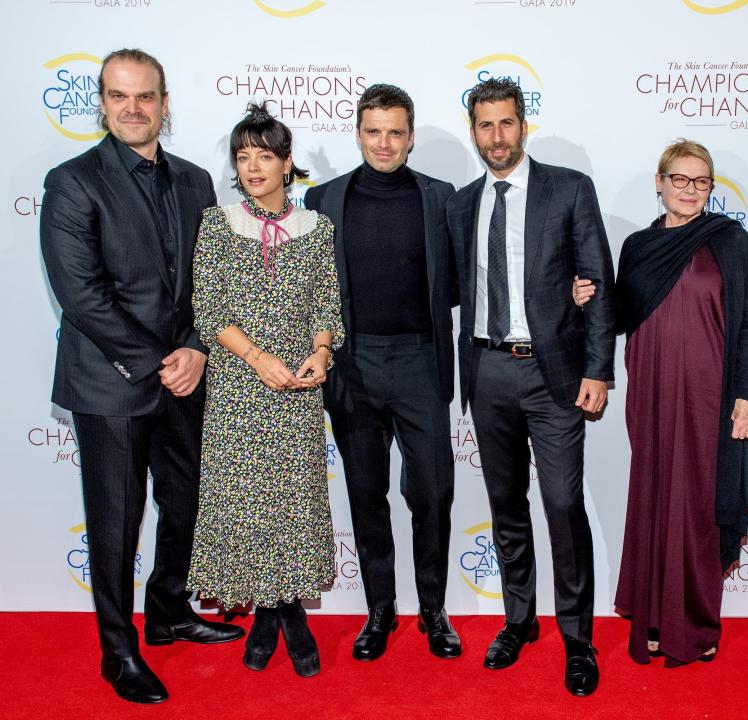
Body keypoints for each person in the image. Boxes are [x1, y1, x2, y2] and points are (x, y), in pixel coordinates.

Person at [39, 48, 243, 704]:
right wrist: (162, 359)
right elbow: (82, 294)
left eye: (146, 96)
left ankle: (168, 612)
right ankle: (116, 650)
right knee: (115, 519)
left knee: (185, 503)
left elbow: (211, 280)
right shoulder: (73, 182)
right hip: (112, 383)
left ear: (164, 103)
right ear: (102, 102)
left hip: (187, 376)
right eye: (120, 96)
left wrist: (195, 348)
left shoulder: (193, 182)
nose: (133, 108)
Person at [447, 77, 616, 697]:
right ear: (474, 132)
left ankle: (578, 637)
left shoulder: (568, 189)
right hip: (487, 369)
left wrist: (598, 369)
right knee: (506, 507)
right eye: (485, 125)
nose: (497, 136)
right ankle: (519, 620)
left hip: (555, 376)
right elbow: (449, 288)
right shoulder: (461, 204)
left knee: (563, 507)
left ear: (524, 126)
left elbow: (597, 282)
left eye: (506, 123)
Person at [303, 84, 461, 661]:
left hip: (421, 358)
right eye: (374, 131)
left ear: (411, 136)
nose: (385, 142)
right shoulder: (322, 199)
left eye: (396, 132)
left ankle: (434, 610)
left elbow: (471, 277)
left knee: (435, 492)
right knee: (366, 494)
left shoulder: (441, 197)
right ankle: (380, 610)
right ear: (359, 134)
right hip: (352, 362)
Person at [186, 103, 343, 678]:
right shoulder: (217, 223)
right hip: (238, 389)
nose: (253, 167)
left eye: (265, 155)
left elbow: (328, 304)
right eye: (243, 156)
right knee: (246, 508)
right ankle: (272, 616)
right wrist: (258, 360)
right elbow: (209, 308)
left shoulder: (317, 227)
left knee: (293, 506)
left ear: (287, 163)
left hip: (299, 389)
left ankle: (287, 613)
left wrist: (321, 351)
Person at [607, 140, 748, 667]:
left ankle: (692, 624)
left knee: (696, 503)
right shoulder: (636, 246)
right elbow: (620, 314)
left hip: (707, 391)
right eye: (680, 179)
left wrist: (747, 395)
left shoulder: (729, 240)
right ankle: (651, 616)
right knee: (653, 495)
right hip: (649, 386)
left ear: (711, 189)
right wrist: (587, 297)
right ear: (659, 181)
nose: (690, 191)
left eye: (701, 182)